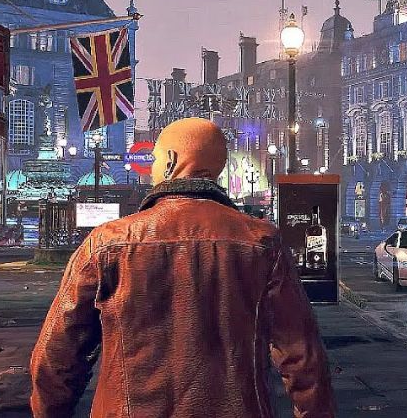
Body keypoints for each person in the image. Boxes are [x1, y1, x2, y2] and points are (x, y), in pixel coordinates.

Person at [30, 118, 335, 417]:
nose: (151, 168)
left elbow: (57, 357)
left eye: (155, 158)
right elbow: (303, 357)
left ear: (171, 161)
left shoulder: (109, 243)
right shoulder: (262, 242)